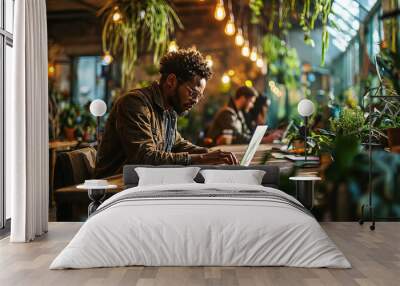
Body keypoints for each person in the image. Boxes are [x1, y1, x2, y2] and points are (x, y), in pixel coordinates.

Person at [95, 48, 238, 178]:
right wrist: (201, 159)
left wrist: (210, 154)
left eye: (199, 96)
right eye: (192, 93)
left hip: (140, 184)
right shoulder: (134, 103)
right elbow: (145, 158)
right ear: (171, 81)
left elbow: (178, 144)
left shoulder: (169, 110)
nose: (195, 101)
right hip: (113, 189)